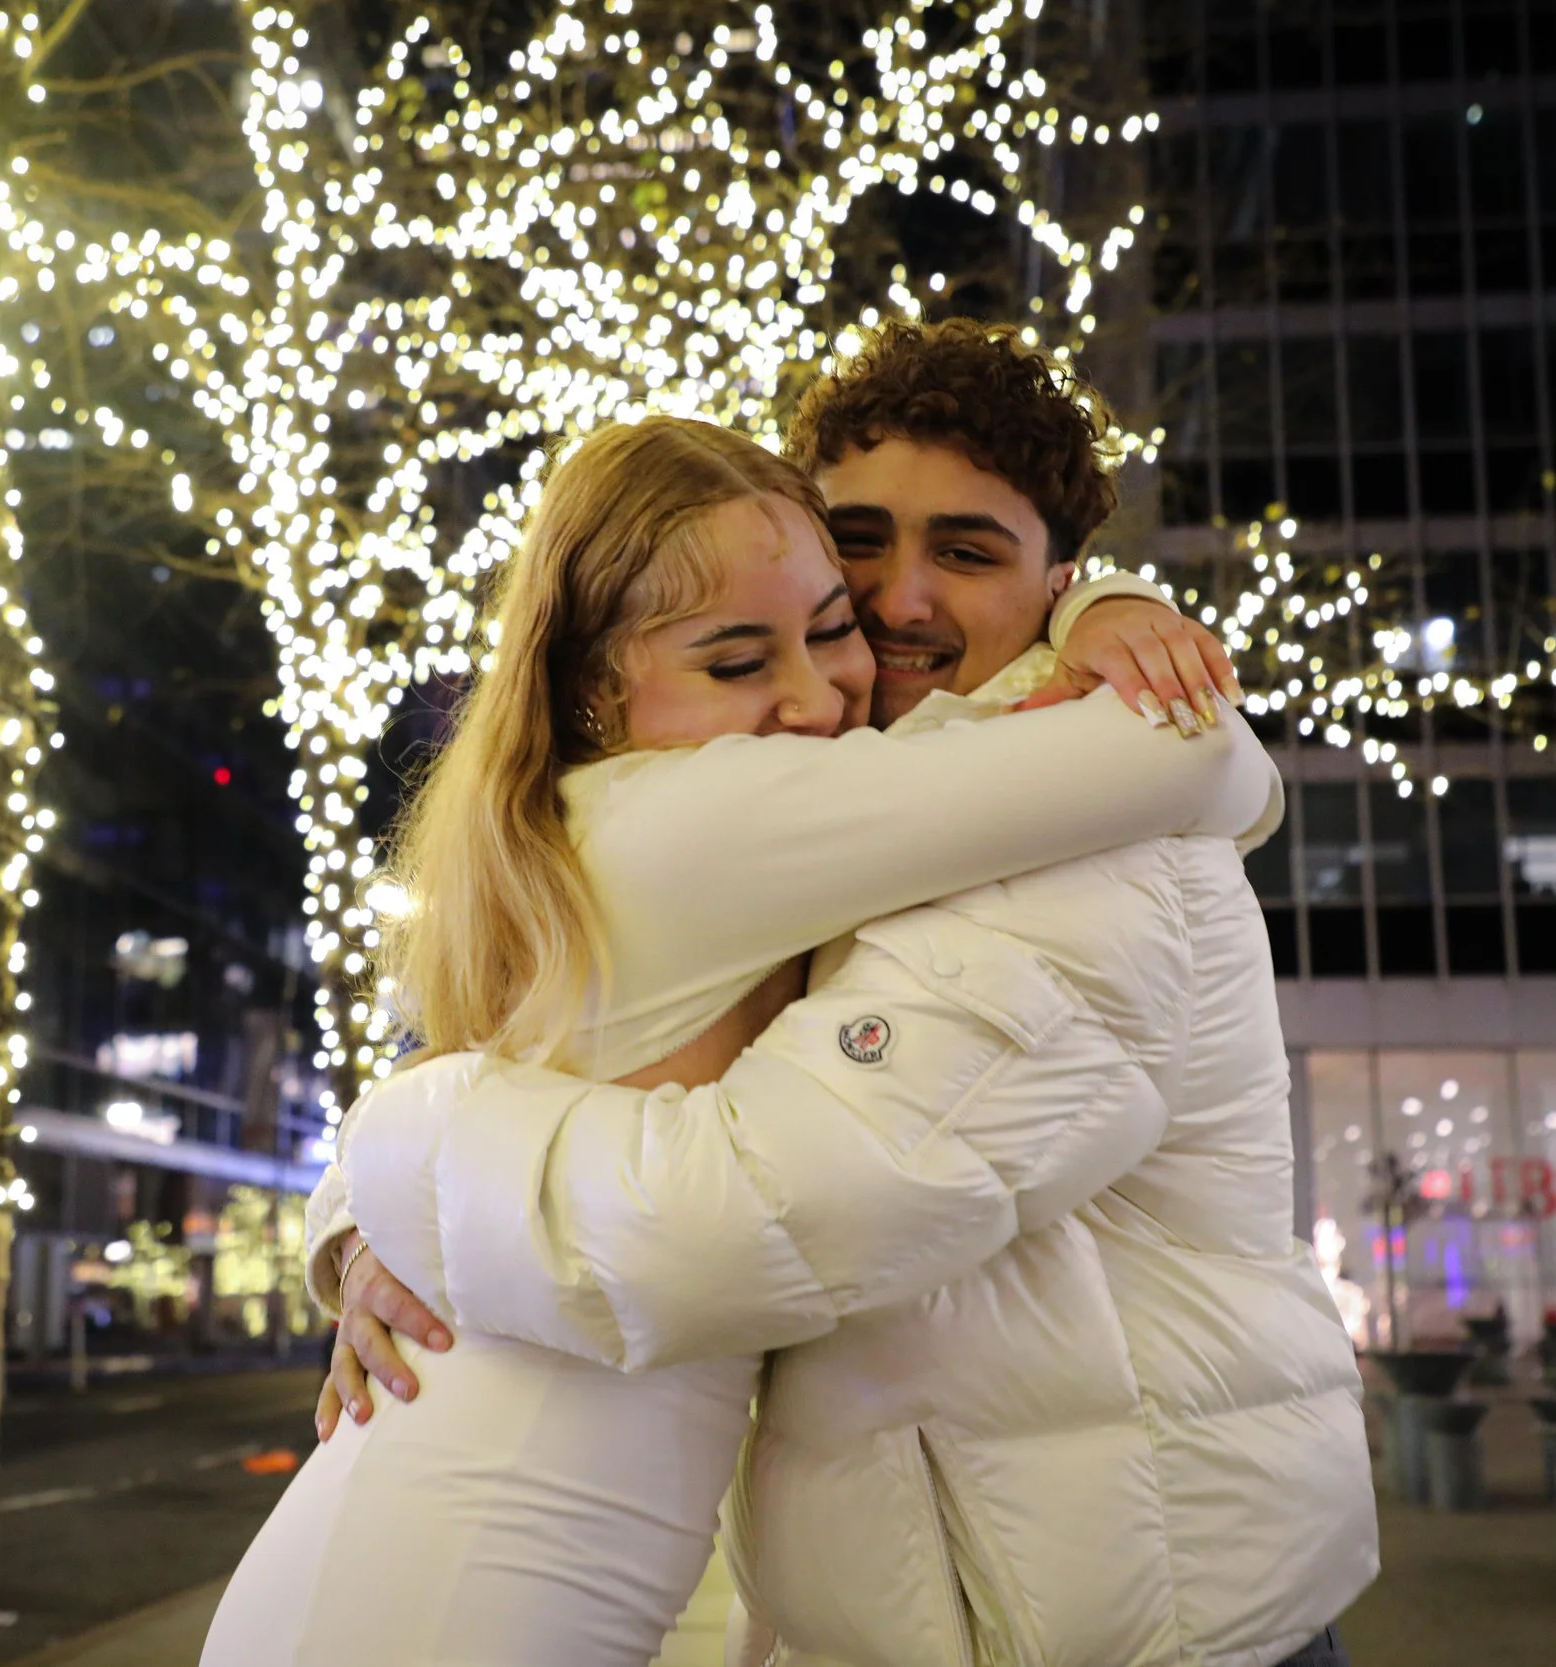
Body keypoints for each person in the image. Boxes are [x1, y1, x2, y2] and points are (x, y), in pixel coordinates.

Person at [306, 322, 1376, 1666]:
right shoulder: (833, 805)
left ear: (1061, 582)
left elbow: (743, 1224)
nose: (898, 599)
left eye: (970, 552)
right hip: (949, 1602)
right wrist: (360, 1231)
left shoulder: (1095, 849)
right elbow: (539, 1019)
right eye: (858, 541)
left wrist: (406, 1155)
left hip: (1145, 1626)